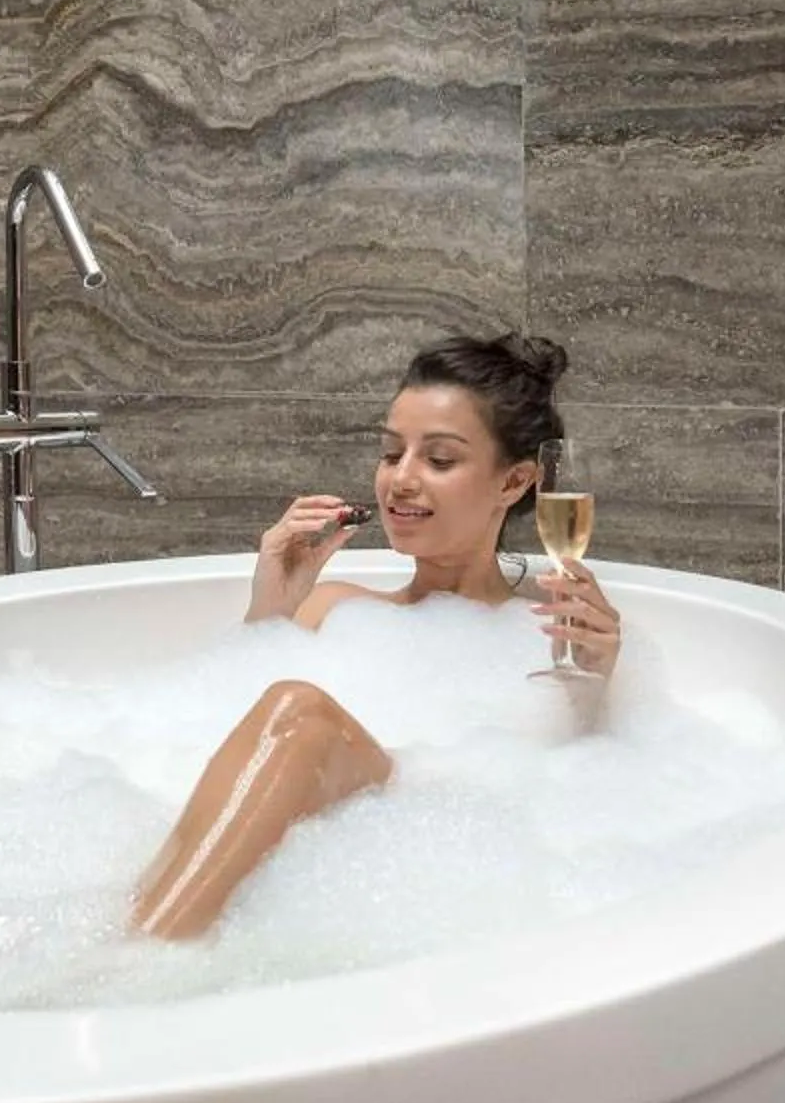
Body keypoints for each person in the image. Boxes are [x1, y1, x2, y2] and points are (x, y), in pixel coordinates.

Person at [128, 335, 625, 939]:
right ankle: (138, 947)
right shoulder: (333, 606)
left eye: (439, 460)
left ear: (514, 481)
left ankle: (134, 955)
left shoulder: (549, 636)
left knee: (300, 711)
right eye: (392, 454)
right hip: (323, 883)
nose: (401, 480)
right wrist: (271, 609)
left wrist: (593, 686)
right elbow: (203, 732)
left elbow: (579, 794)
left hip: (432, 869)